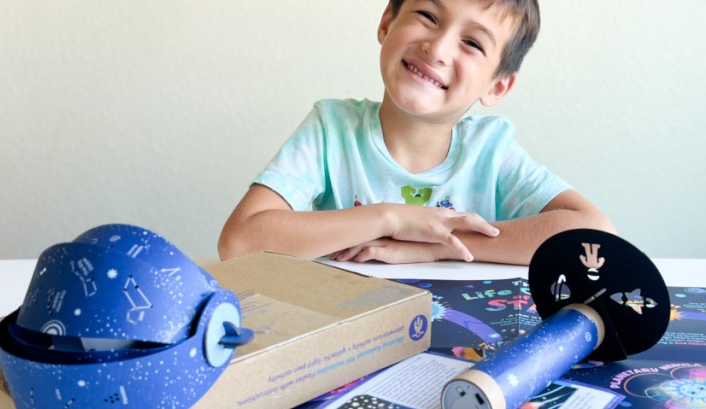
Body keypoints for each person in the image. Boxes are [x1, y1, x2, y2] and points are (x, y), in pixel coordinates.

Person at [219, 0, 614, 265]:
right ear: (387, 22)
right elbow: (238, 243)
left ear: (497, 86)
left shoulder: (490, 150)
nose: (438, 48)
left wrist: (434, 246)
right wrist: (391, 218)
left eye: (472, 43)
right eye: (427, 15)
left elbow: (595, 235)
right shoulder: (331, 128)